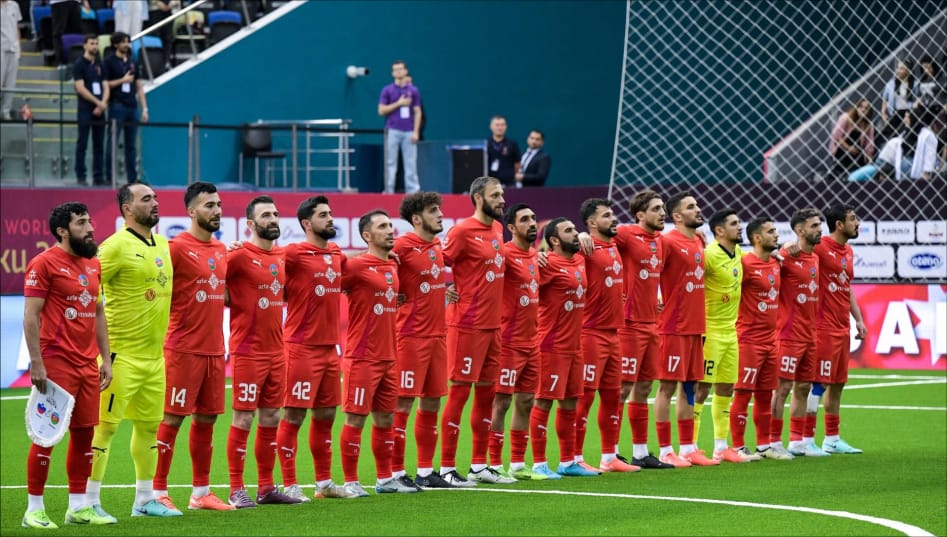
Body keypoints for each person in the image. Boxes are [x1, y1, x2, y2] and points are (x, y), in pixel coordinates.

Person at [87, 182, 180, 518]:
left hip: (154, 359)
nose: (154, 203)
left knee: (149, 427)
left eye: (155, 197)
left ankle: (144, 500)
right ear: (127, 208)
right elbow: (87, 288)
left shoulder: (164, 243)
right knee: (104, 429)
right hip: (119, 357)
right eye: (146, 199)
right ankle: (87, 502)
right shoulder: (113, 247)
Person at [22, 202, 114, 528]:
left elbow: (98, 312)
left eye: (89, 221)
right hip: (56, 361)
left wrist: (105, 358)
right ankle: (33, 509)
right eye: (81, 223)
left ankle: (78, 507)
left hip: (88, 364)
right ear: (62, 231)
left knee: (84, 436)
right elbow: (31, 315)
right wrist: (36, 363)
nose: (90, 228)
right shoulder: (43, 263)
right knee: (45, 435)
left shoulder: (93, 263)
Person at [151, 182, 234, 512]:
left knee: (207, 420)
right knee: (171, 419)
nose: (216, 210)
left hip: (215, 349)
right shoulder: (174, 248)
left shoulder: (222, 250)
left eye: (218, 204)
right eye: (209, 205)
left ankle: (201, 493)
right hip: (182, 349)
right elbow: (154, 293)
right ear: (191, 211)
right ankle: (157, 491)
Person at [275, 196, 359, 500]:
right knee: (293, 416)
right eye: (323, 215)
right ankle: (289, 484)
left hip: (329, 349)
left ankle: (324, 484)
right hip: (300, 347)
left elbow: (353, 266)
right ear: (307, 223)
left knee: (326, 416)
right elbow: (268, 267)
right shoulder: (293, 253)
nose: (330, 218)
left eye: (330, 213)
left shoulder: (335, 253)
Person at [438, 176, 515, 486]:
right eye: (495, 195)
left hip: (493, 326)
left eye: (502, 194)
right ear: (479, 198)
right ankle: (446, 468)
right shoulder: (461, 231)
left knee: (486, 395)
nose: (502, 199)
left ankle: (479, 466)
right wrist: (443, 287)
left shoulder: (497, 228)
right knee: (459, 394)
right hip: (467, 325)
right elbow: (434, 261)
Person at [225, 196, 301, 508]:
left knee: (271, 416)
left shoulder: (282, 256)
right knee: (243, 417)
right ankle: (235, 488)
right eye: (266, 215)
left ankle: (266, 488)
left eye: (275, 214)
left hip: (276, 350)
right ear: (250, 224)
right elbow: (211, 278)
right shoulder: (238, 255)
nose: (273, 219)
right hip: (247, 349)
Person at [338, 210, 419, 495]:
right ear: (367, 235)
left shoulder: (393, 265)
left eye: (390, 225)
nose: (390, 230)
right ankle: (350, 482)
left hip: (389, 357)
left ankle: (385, 479)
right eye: (382, 226)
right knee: (355, 419)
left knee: (386, 419)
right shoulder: (356, 266)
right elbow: (328, 277)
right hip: (362, 356)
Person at [390, 192, 455, 489]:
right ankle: (394, 473)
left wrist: (446, 291)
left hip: (438, 336)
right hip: (410, 336)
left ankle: (426, 472)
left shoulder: (437, 245)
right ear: (416, 219)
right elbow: (371, 267)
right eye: (433, 210)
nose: (440, 214)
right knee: (402, 405)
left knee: (431, 403)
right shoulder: (402, 245)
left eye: (439, 209)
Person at [528, 217, 599, 478]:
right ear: (554, 240)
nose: (575, 233)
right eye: (569, 231)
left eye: (575, 229)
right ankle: (539, 464)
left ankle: (568, 462)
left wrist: (584, 236)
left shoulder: (579, 259)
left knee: (570, 404)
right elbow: (518, 275)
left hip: (575, 347)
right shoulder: (546, 264)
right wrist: (535, 256)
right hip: (551, 346)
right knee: (544, 402)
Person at [573, 198, 637, 473]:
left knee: (613, 396)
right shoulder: (584, 248)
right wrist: (580, 236)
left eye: (612, 214)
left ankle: (609, 457)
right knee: (585, 397)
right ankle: (574, 457)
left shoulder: (614, 246)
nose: (614, 219)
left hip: (614, 334)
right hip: (591, 333)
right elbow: (556, 253)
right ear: (591, 222)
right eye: (607, 215)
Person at [612, 189, 675, 469]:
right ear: (640, 214)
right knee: (622, 388)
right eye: (656, 209)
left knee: (645, 387)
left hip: (652, 323)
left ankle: (640, 452)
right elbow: (598, 240)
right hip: (629, 324)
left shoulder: (661, 241)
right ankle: (610, 453)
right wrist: (585, 236)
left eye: (663, 208)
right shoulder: (626, 234)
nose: (662, 213)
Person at [694, 208, 761, 463]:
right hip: (709, 332)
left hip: (731, 333)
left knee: (726, 388)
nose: (740, 227)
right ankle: (691, 447)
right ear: (720, 230)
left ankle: (721, 447)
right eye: (734, 224)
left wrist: (783, 250)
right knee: (701, 389)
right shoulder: (709, 255)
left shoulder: (738, 253)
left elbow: (759, 257)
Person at [656, 191, 717, 467]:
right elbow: (650, 272)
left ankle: (688, 447)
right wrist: (656, 298)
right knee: (666, 387)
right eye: (691, 207)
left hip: (695, 326)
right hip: (673, 326)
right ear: (677, 216)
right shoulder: (667, 241)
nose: (698, 209)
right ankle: (665, 450)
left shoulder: (700, 240)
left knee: (690, 387)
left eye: (697, 205)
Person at [486, 203, 542, 480]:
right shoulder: (505, 254)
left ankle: (518, 464)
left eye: (533, 218)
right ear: (511, 227)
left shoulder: (535, 255)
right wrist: (454, 290)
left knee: (527, 401)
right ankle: (494, 463)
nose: (531, 223)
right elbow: (481, 278)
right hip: (508, 342)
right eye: (525, 219)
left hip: (533, 341)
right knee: (501, 402)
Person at [729, 216, 792, 460]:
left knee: (765, 395)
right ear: (757, 237)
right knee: (743, 393)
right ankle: (738, 447)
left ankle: (764, 446)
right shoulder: (744, 263)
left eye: (776, 231)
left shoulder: (776, 262)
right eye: (770, 231)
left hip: (771, 341)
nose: (776, 235)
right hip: (748, 340)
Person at [770, 208, 826, 458]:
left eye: (819, 225)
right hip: (788, 334)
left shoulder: (815, 257)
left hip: (810, 335)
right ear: (800, 230)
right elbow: (766, 260)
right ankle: (773, 441)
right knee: (781, 389)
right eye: (814, 226)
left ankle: (797, 441)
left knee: (803, 387)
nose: (819, 229)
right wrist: (780, 248)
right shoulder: (786, 256)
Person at [812, 204, 867, 454]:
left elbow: (847, 287)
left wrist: (858, 319)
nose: (858, 223)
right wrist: (788, 247)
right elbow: (794, 252)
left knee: (838, 383)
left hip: (842, 327)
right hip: (822, 327)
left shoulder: (849, 251)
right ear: (839, 225)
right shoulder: (820, 246)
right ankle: (804, 438)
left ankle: (832, 439)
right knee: (818, 384)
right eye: (853, 219)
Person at [104, 32, 149, 184]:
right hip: (117, 105)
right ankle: (110, 177)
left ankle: (132, 178)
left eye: (127, 42)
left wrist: (144, 108)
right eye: (123, 42)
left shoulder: (132, 61)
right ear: (115, 44)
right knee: (112, 143)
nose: (126, 45)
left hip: (132, 106)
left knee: (131, 145)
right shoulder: (109, 62)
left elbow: (139, 86)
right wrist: (122, 80)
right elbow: (106, 84)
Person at [378, 59, 422, 194]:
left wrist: (416, 131)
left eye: (400, 69)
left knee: (410, 162)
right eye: (395, 69)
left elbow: (417, 111)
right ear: (392, 73)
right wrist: (398, 103)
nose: (398, 72)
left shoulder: (413, 90)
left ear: (405, 71)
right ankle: (389, 190)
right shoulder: (387, 90)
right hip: (392, 130)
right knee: (390, 162)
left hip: (409, 131)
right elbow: (381, 110)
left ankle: (413, 191)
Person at [73, 34, 109, 186]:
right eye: (92, 43)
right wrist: (97, 102)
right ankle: (81, 175)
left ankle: (98, 176)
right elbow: (80, 88)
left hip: (100, 110)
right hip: (86, 109)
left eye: (96, 43)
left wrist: (103, 103)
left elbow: (106, 85)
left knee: (99, 144)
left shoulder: (100, 64)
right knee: (82, 143)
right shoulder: (79, 64)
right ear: (85, 45)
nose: (95, 46)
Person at [828, 98, 875, 181]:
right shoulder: (846, 117)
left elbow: (869, 143)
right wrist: (849, 148)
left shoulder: (869, 125)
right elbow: (836, 136)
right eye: (861, 107)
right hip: (842, 149)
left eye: (866, 108)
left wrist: (868, 156)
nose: (863, 110)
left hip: (857, 152)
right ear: (856, 107)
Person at [881, 59, 916, 137]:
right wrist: (883, 113)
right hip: (895, 114)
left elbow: (917, 101)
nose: (898, 71)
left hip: (909, 114)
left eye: (901, 68)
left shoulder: (915, 84)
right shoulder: (890, 84)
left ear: (908, 71)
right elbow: (884, 100)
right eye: (897, 68)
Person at [486, 115, 521, 187]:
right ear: (491, 127)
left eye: (502, 125)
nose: (500, 128)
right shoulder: (485, 144)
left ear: (506, 127)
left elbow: (517, 163)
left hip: (509, 184)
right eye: (497, 125)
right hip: (489, 183)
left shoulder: (512, 144)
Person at [1, 0, 21, 120]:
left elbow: (16, 27)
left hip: (13, 48)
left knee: (10, 84)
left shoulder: (14, 5)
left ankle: (5, 112)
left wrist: (19, 48)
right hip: (1, 48)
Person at [910, 107, 940, 180]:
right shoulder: (920, 134)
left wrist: (926, 176)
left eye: (907, 117)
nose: (905, 120)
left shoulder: (928, 135)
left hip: (922, 178)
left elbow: (929, 158)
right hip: (915, 176)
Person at [50, 0, 83, 65]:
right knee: (59, 31)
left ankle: (75, 58)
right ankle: (60, 59)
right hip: (59, 2)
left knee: (76, 32)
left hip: (75, 2)